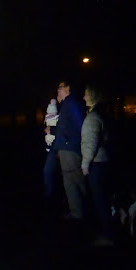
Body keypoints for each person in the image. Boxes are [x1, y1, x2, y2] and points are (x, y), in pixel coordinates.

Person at [81, 84, 115, 244]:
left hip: (97, 163)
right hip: (104, 162)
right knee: (104, 199)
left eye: (86, 94)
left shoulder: (93, 117)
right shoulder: (101, 113)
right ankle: (111, 231)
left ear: (93, 96)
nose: (84, 97)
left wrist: (85, 164)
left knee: (100, 200)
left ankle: (108, 236)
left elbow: (91, 143)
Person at [52, 80, 86, 221]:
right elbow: (64, 128)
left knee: (77, 180)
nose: (57, 91)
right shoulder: (67, 105)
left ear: (68, 89)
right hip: (66, 149)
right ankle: (77, 212)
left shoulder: (70, 104)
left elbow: (77, 126)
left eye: (60, 88)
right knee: (70, 181)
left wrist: (66, 143)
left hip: (70, 150)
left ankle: (86, 211)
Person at [43, 97, 60, 204]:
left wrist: (51, 130)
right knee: (49, 172)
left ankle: (51, 196)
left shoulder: (60, 118)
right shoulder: (48, 120)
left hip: (56, 148)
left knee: (48, 172)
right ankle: (50, 196)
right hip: (52, 148)